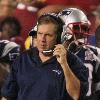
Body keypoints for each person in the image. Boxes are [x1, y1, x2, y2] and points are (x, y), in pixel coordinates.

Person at [1, 13, 88, 100]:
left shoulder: (73, 62)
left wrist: (64, 65)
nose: (42, 39)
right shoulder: (23, 59)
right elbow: (8, 96)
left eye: (48, 35)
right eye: (40, 33)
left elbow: (76, 95)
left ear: (59, 38)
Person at [58, 8, 100, 100]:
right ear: (63, 29)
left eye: (85, 28)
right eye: (77, 27)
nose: (83, 32)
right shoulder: (49, 54)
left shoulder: (95, 54)